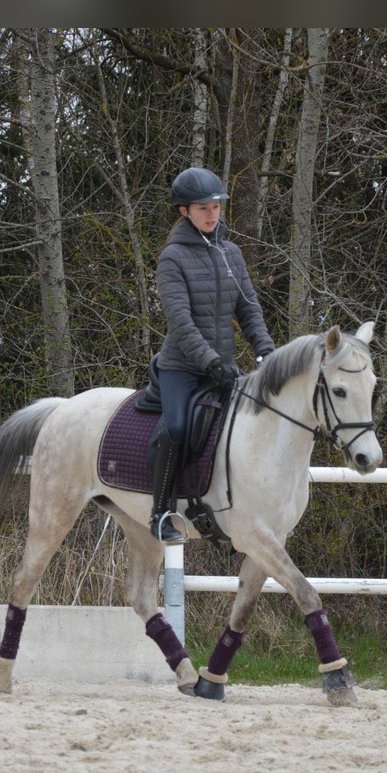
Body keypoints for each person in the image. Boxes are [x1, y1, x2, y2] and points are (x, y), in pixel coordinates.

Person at [149, 166, 276, 543]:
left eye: (216, 206)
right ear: (184, 211)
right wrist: (210, 362)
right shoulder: (172, 258)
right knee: (177, 428)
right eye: (203, 207)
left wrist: (266, 351)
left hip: (223, 367)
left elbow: (249, 309)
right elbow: (181, 323)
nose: (212, 213)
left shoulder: (230, 254)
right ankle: (160, 512)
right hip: (184, 368)